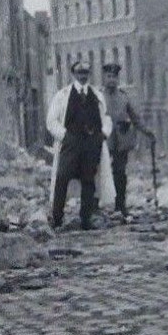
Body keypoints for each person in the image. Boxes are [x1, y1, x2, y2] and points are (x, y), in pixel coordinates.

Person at [46, 60, 112, 230]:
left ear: (89, 74)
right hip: (71, 144)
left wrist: (103, 134)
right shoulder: (62, 96)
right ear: (73, 74)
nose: (83, 76)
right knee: (62, 177)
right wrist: (65, 136)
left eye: (85, 73)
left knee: (89, 180)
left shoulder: (96, 95)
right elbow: (51, 121)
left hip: (91, 144)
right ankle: (57, 217)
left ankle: (86, 218)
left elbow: (107, 118)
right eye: (79, 73)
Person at [101, 61, 153, 219]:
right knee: (100, 173)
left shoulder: (124, 97)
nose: (111, 80)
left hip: (121, 141)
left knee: (120, 174)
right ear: (104, 78)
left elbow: (135, 117)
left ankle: (120, 205)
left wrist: (146, 131)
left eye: (114, 77)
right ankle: (96, 206)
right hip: (102, 141)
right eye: (109, 76)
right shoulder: (98, 97)